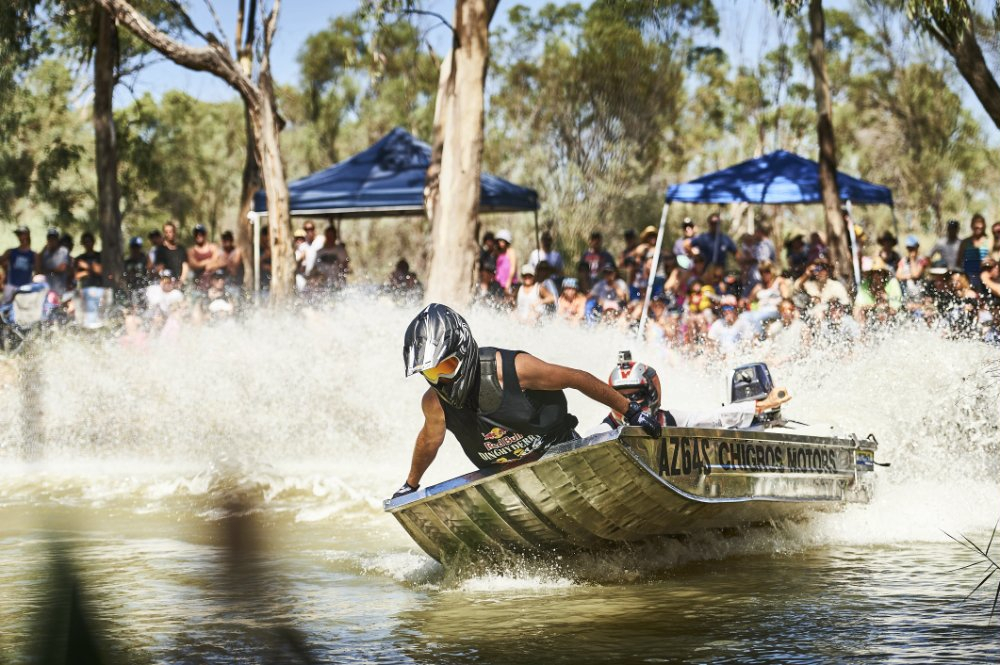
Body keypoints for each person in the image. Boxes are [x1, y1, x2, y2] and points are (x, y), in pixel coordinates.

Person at [392, 304, 662, 497]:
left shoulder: (514, 370)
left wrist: (631, 411)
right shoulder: (434, 403)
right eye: (430, 372)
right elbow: (428, 441)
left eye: (445, 367)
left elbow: (577, 379)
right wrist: (411, 485)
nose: (441, 380)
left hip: (559, 455)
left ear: (464, 352)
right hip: (508, 481)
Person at [596, 352, 792, 432]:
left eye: (635, 395)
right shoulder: (603, 432)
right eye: (621, 396)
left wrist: (764, 404)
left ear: (650, 394)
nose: (629, 402)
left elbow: (715, 417)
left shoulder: (668, 420)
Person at [2, 226, 35, 303]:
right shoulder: (11, 252)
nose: (20, 237)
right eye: (19, 235)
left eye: (22, 234)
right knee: (3, 308)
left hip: (26, 288)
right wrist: (5, 270)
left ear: (27, 235)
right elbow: (2, 261)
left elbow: (38, 271)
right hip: (11, 286)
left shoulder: (33, 255)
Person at [957, 214, 990, 289]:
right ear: (972, 226)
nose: (977, 226)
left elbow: (993, 261)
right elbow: (958, 262)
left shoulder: (989, 241)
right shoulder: (965, 242)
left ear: (984, 225)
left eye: (980, 223)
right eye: (975, 223)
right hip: (968, 277)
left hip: (985, 278)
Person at [314, 224, 350, 292]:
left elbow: (345, 265)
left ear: (335, 237)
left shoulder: (340, 250)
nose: (330, 238)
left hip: (337, 282)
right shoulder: (319, 252)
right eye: (328, 236)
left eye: (331, 236)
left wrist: (342, 278)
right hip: (322, 283)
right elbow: (315, 267)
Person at [37, 227, 71, 296]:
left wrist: (47, 270)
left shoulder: (63, 251)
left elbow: (62, 268)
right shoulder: (45, 252)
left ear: (57, 239)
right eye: (50, 238)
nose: (52, 241)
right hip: (46, 290)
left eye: (54, 238)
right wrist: (43, 249)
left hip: (60, 289)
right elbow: (38, 268)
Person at [121, 236, 149, 310]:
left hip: (144, 288)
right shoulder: (127, 262)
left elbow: (149, 271)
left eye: (137, 247)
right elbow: (124, 276)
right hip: (131, 289)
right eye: (133, 247)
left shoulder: (145, 260)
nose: (135, 249)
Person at [895, 235, 927, 301]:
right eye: (909, 248)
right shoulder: (903, 260)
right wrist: (908, 276)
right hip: (907, 294)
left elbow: (915, 274)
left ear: (917, 247)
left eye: (913, 248)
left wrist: (912, 260)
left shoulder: (922, 260)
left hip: (919, 294)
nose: (911, 250)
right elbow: (898, 275)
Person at [494, 229, 517, 293]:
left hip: (509, 282)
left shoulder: (511, 251)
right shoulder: (498, 253)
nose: (500, 243)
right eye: (499, 241)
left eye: (502, 241)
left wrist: (509, 281)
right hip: (499, 282)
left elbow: (513, 268)